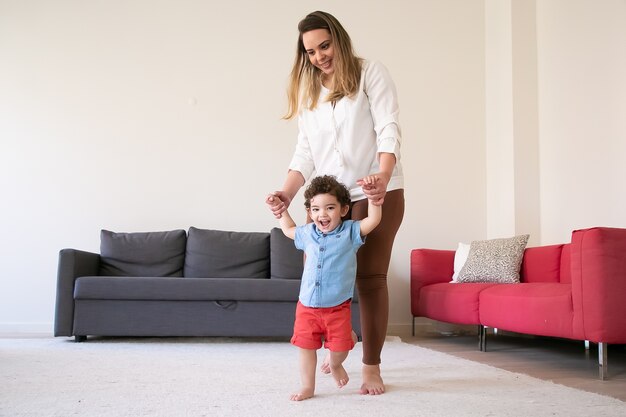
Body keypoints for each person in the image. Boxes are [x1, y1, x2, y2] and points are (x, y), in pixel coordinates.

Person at [266, 10, 404, 396]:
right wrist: (287, 195)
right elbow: (304, 156)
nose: (319, 56)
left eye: (324, 45)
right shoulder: (311, 95)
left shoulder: (370, 73)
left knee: (370, 278)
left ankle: (371, 366)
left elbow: (388, 128)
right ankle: (336, 349)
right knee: (324, 278)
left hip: (377, 188)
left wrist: (382, 174)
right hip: (330, 201)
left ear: (338, 39)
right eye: (310, 51)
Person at [274, 175, 382, 401]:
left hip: (337, 307)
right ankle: (307, 386)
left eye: (329, 208)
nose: (322, 214)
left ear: (343, 210)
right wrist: (281, 210)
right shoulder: (308, 233)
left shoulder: (350, 232)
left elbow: (372, 221)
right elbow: (288, 229)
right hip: (307, 306)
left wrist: (374, 199)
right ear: (310, 212)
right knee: (306, 347)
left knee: (340, 347)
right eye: (315, 209)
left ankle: (334, 364)